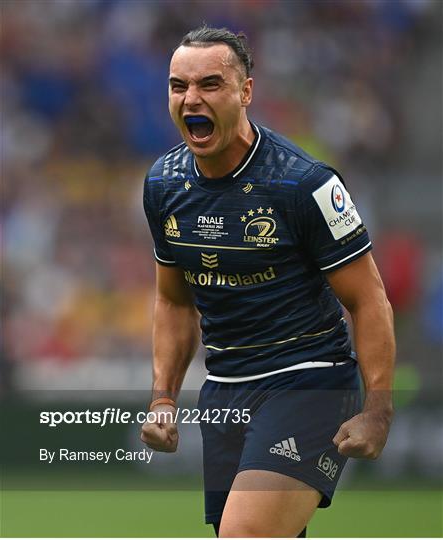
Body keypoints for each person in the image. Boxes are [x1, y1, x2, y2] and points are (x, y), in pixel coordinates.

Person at [141, 25, 395, 538]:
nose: (191, 98)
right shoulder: (163, 184)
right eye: (178, 86)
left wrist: (378, 409)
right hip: (226, 390)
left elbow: (368, 300)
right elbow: (173, 302)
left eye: (210, 84)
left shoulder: (305, 183)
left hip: (308, 380)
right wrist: (164, 396)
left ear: (246, 92)